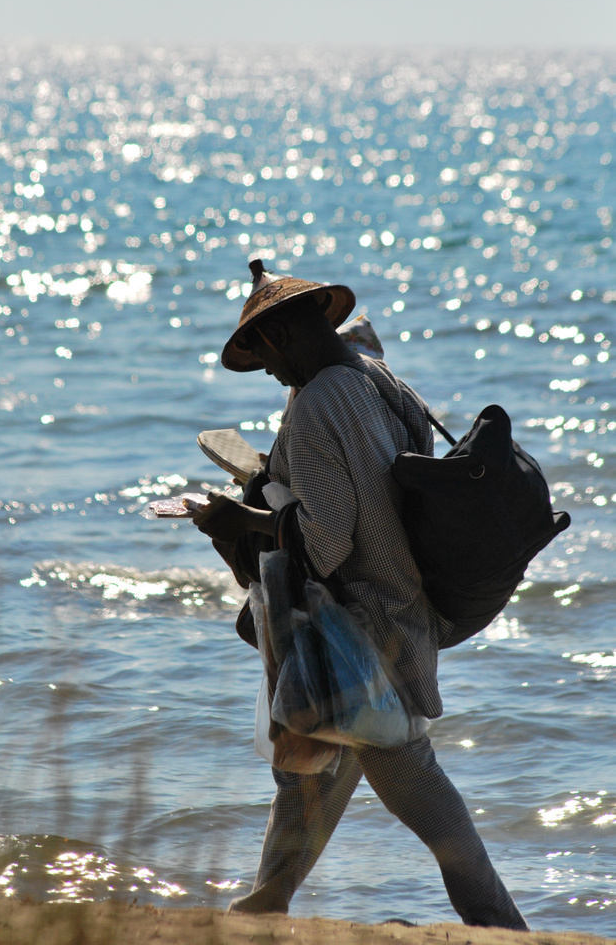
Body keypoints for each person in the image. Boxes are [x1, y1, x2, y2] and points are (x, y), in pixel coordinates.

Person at [192, 262, 528, 930]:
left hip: (358, 625)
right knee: (310, 768)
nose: (267, 373)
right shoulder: (378, 378)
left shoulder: (315, 404)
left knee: (399, 769)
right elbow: (383, 482)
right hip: (405, 603)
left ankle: (499, 923)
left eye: (262, 356)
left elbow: (324, 542)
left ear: (283, 334)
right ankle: (265, 903)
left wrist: (237, 520)